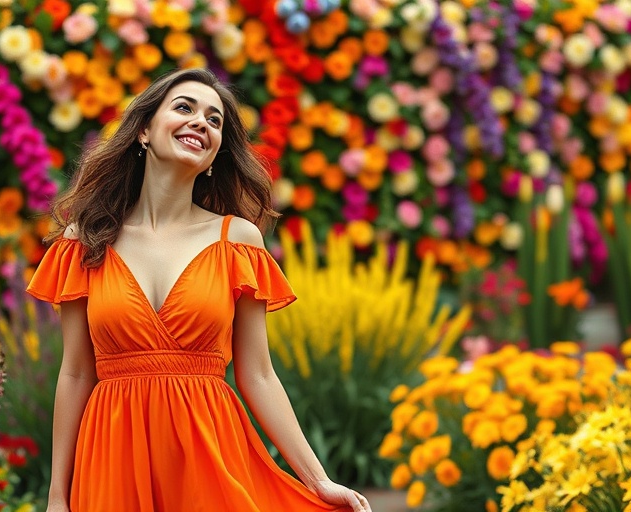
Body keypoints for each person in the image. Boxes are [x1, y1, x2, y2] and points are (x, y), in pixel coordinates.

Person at [26, 68, 372, 512]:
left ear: (213, 157)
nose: (200, 123)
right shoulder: (85, 240)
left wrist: (319, 480)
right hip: (111, 460)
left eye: (214, 121)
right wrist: (58, 497)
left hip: (210, 458)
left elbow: (259, 375)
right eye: (185, 108)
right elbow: (75, 374)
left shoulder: (238, 240)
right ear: (144, 131)